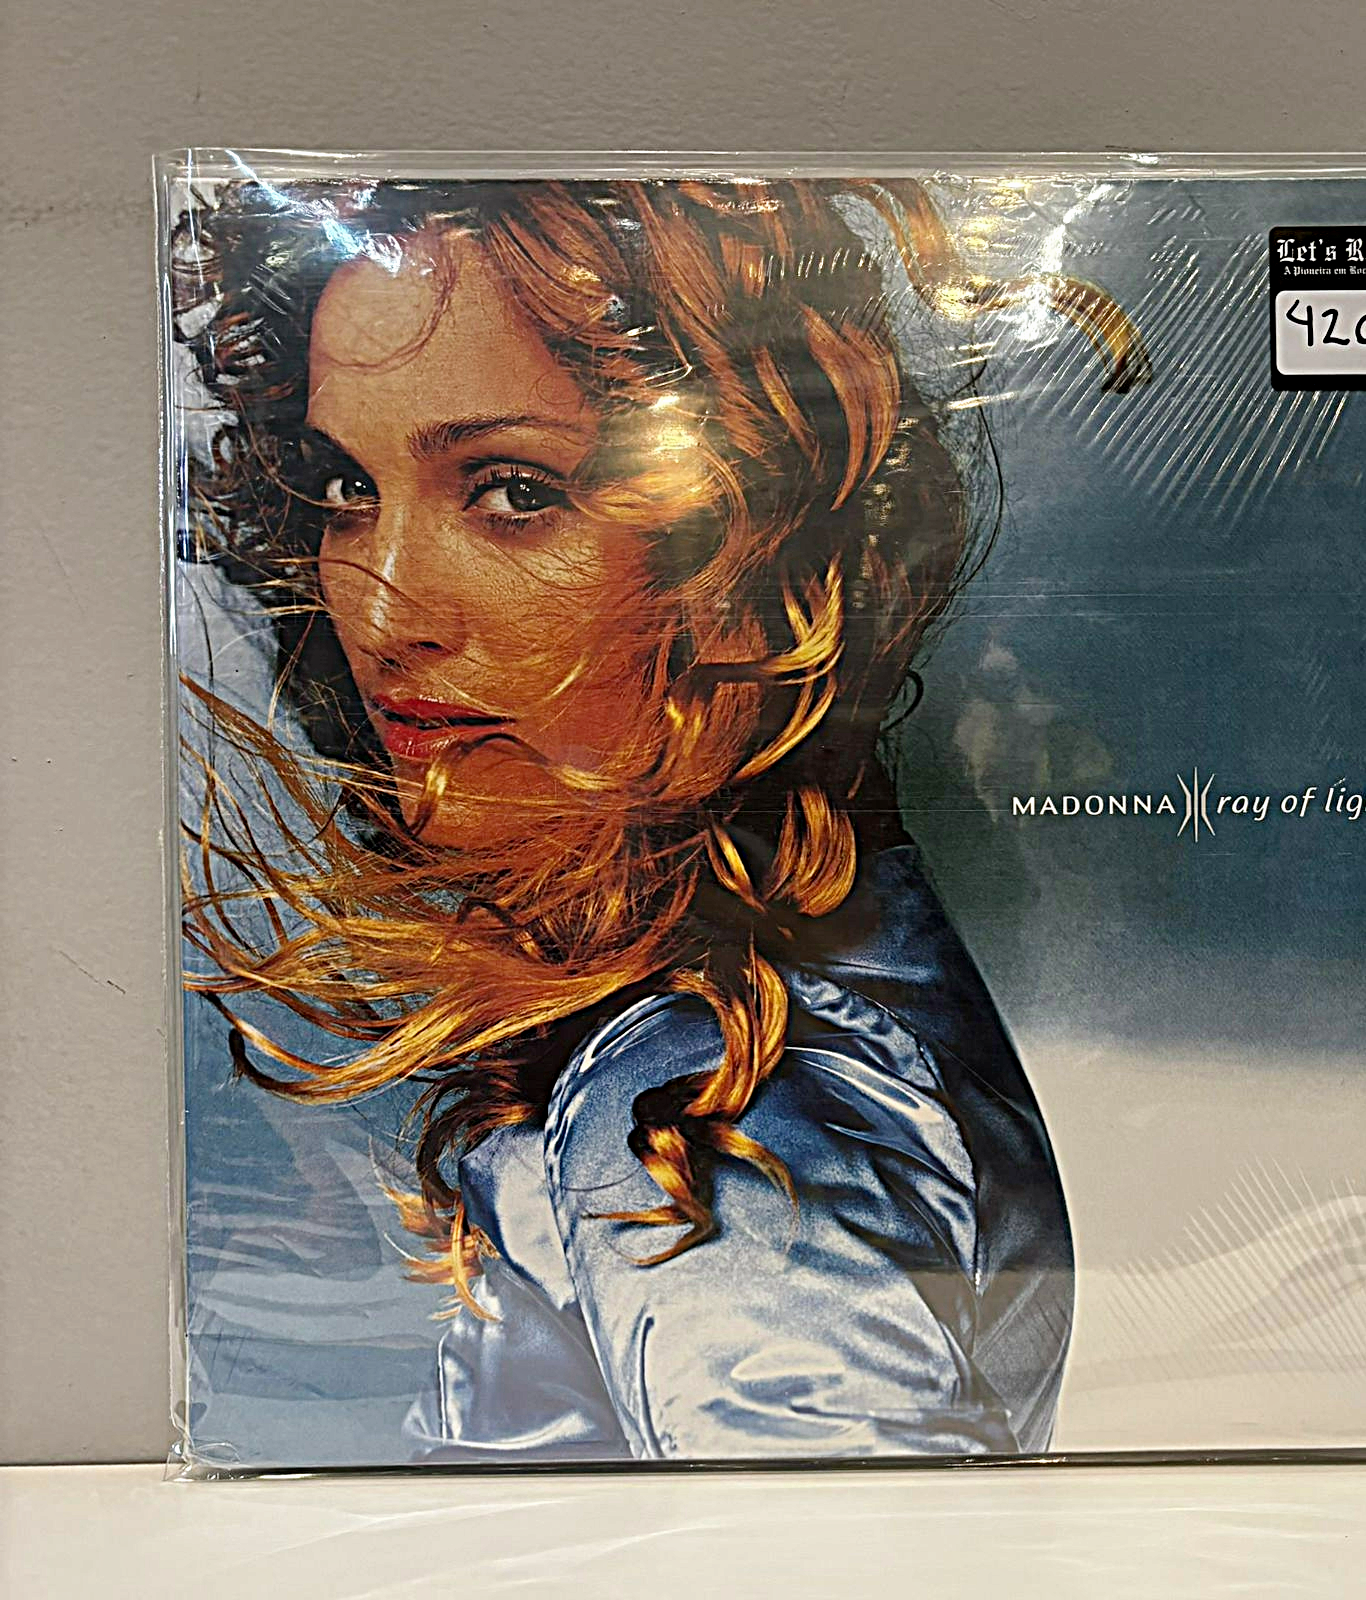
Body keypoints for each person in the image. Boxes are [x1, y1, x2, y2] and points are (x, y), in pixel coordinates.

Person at [174, 174, 1148, 1460]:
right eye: (347, 487)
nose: (385, 608)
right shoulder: (779, 992)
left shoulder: (703, 1106)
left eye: (510, 491)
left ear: (748, 544)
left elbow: (844, 1529)